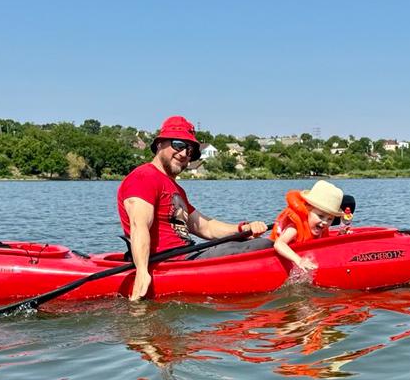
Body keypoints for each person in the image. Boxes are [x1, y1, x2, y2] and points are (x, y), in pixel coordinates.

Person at [117, 115, 269, 300]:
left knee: (252, 242)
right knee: (265, 246)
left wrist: (243, 229)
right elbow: (138, 225)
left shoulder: (175, 188)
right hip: (170, 263)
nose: (183, 154)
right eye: (178, 144)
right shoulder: (143, 177)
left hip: (188, 256)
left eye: (190, 151)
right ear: (159, 145)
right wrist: (142, 271)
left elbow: (205, 227)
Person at [271, 180, 346, 272]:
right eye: (320, 216)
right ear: (307, 208)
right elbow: (279, 244)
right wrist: (299, 260)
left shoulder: (320, 228)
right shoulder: (294, 228)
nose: (325, 222)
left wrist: (340, 236)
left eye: (330, 219)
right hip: (276, 257)